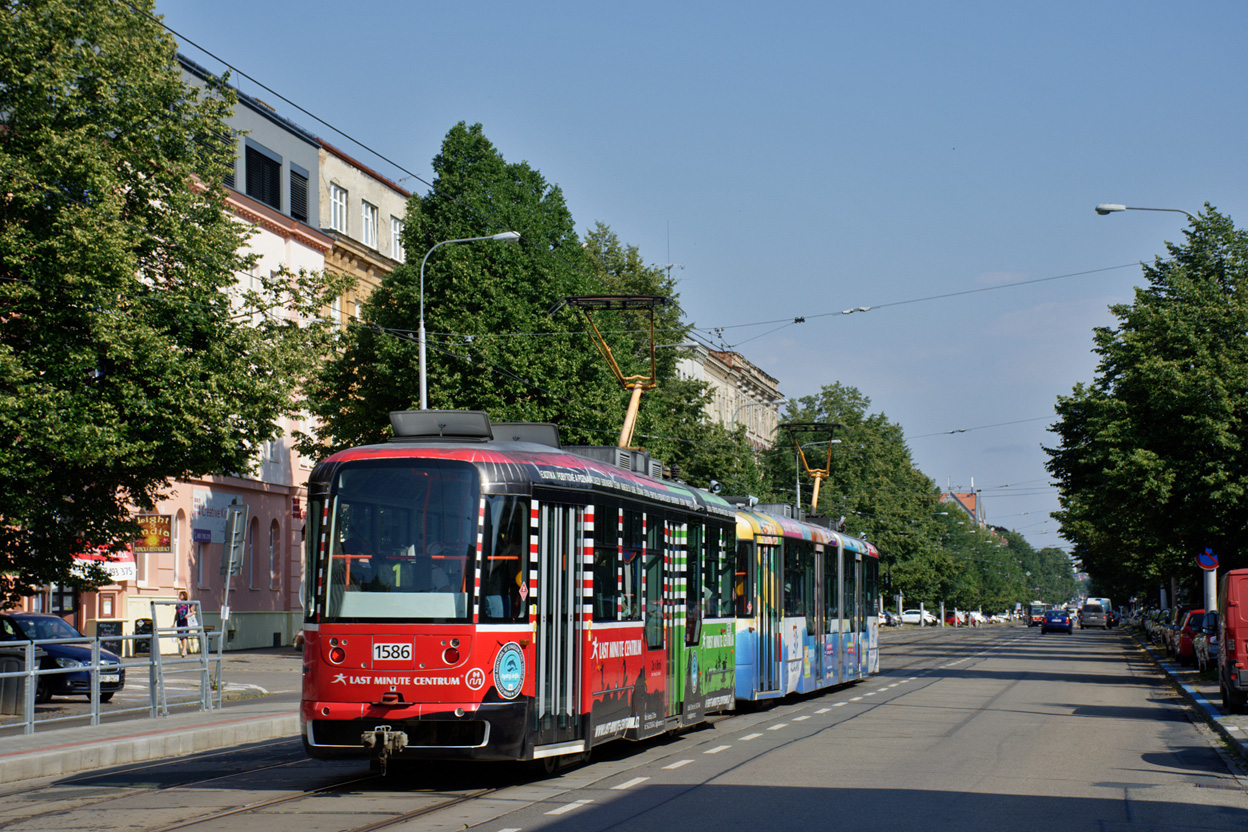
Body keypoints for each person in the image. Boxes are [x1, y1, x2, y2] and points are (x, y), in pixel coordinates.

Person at [174, 591, 191, 657]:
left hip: (185, 621)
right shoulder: (178, 604)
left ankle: (183, 650)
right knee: (181, 637)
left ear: (184, 596)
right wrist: (174, 622)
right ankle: (185, 651)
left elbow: (192, 612)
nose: (179, 596)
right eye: (179, 595)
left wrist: (188, 615)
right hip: (179, 621)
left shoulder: (188, 604)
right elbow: (176, 614)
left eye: (181, 595)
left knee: (184, 636)